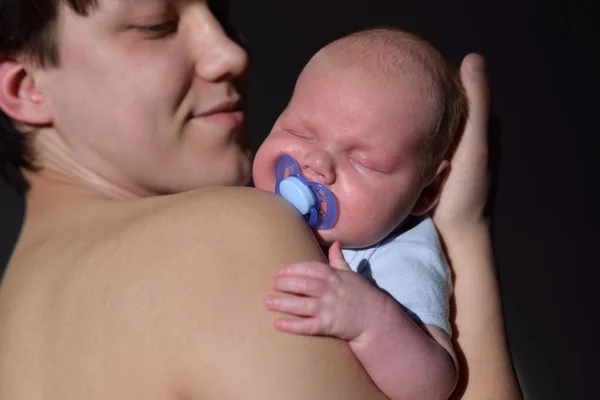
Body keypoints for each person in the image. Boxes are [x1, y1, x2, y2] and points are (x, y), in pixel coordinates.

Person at [0, 1, 521, 399]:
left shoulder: (14, 325)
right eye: (155, 24)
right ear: (25, 87)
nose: (230, 52)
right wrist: (463, 231)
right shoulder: (240, 230)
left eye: (219, 13)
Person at [253, 28, 465, 400]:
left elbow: (434, 384)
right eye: (300, 133)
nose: (317, 163)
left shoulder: (396, 254)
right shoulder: (246, 204)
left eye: (363, 161)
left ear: (426, 191)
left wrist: (368, 319)